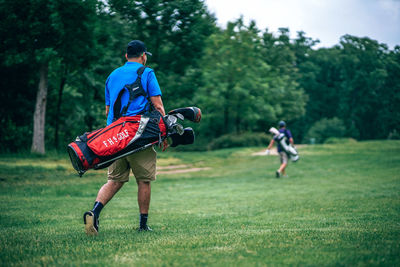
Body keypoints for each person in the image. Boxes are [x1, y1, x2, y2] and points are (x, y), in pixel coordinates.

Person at [83, 40, 168, 235]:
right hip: (139, 135)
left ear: (126, 56)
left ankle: (94, 213)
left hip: (114, 137)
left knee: (114, 180)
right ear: (143, 56)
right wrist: (164, 134)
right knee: (144, 180)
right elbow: (159, 106)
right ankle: (143, 225)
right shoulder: (147, 73)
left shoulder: (112, 76)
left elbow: (108, 111)